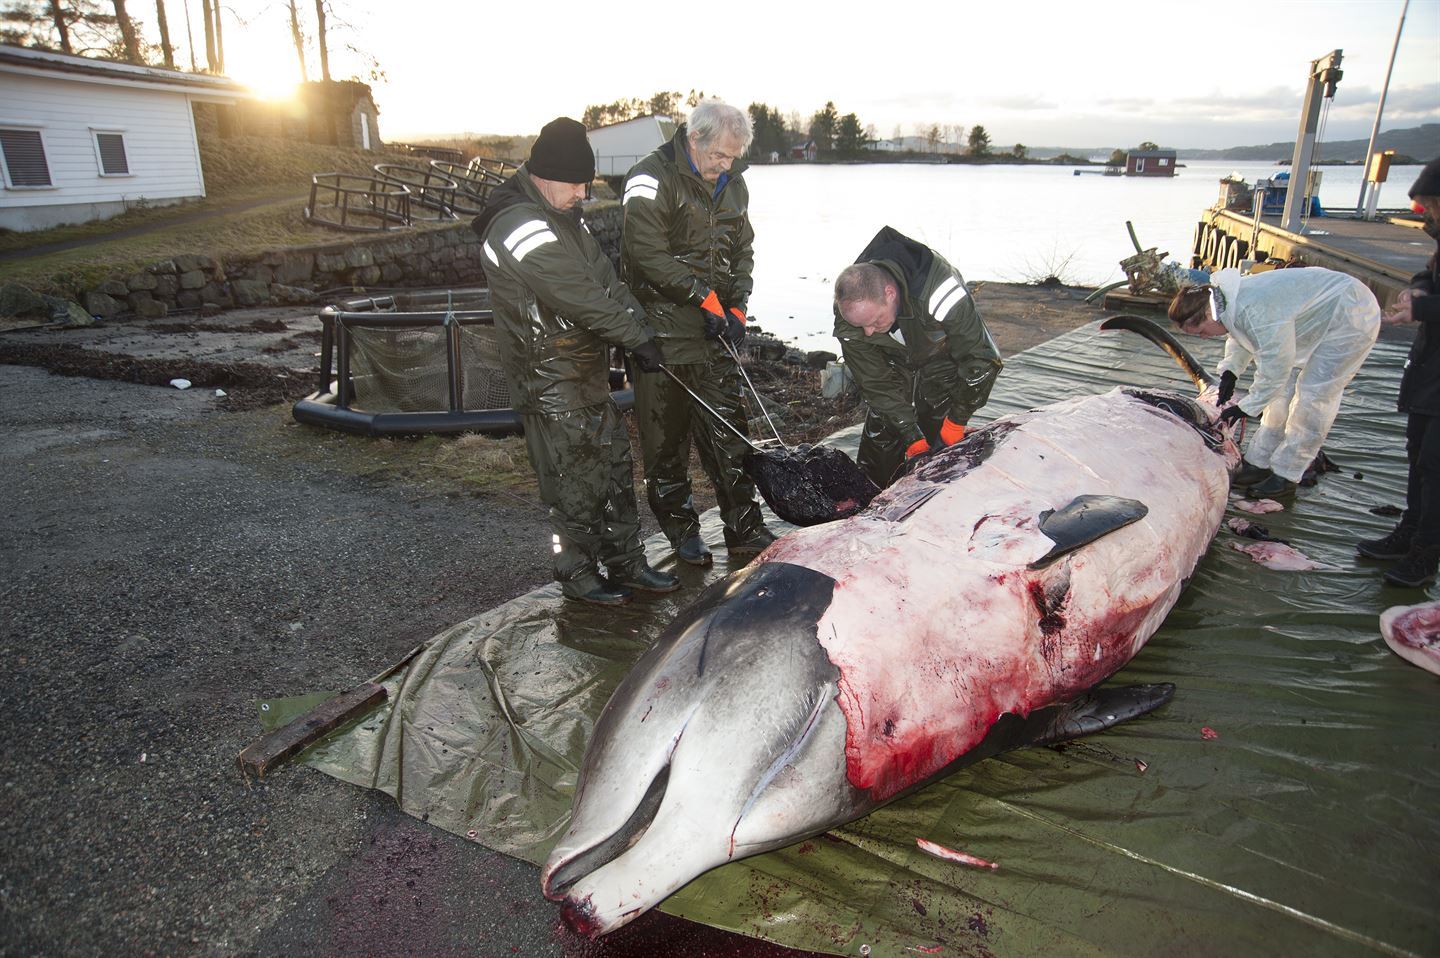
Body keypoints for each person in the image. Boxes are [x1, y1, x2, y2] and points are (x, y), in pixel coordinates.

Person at [473, 117, 677, 606]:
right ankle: (577, 571)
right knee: (572, 481)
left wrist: (643, 331)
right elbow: (578, 295)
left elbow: (606, 282)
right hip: (547, 379)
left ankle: (626, 562)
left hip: (584, 371)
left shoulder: (565, 216)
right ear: (546, 174)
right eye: (578, 182)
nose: (585, 192)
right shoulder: (517, 223)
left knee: (612, 467)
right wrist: (634, 338)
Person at [620, 98, 773, 567]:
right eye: (719, 156)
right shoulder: (649, 177)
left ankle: (744, 526)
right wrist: (702, 297)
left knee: (730, 432)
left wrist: (737, 306)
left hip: (714, 333)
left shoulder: (735, 183)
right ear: (695, 138)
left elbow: (742, 248)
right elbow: (646, 253)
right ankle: (683, 533)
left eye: (733, 157)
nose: (726, 165)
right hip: (660, 331)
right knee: (666, 443)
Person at [1167, 266, 1381, 499]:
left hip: (1350, 313)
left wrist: (1245, 407)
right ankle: (1258, 463)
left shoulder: (1255, 311)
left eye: (1201, 332)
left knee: (1313, 396)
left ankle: (1287, 474)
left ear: (1208, 316)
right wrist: (1231, 370)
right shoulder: (1225, 301)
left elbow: (1274, 369)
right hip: (1311, 314)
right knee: (1279, 396)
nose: (1204, 337)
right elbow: (1240, 333)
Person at [832, 226, 1004, 488]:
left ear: (890, 293)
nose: (867, 331)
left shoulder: (939, 288)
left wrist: (957, 420)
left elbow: (980, 359)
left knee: (943, 447)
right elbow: (876, 383)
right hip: (892, 358)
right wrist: (911, 436)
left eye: (875, 320)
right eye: (861, 325)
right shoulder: (852, 310)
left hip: (942, 354)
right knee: (881, 446)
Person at [1357, 158, 1440, 587]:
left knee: (1435, 466)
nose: (1427, 215)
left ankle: (1427, 554)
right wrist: (1419, 289)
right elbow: (1429, 275)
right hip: (1430, 368)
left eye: (1431, 205)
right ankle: (1409, 533)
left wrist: (1422, 308)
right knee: (1417, 457)